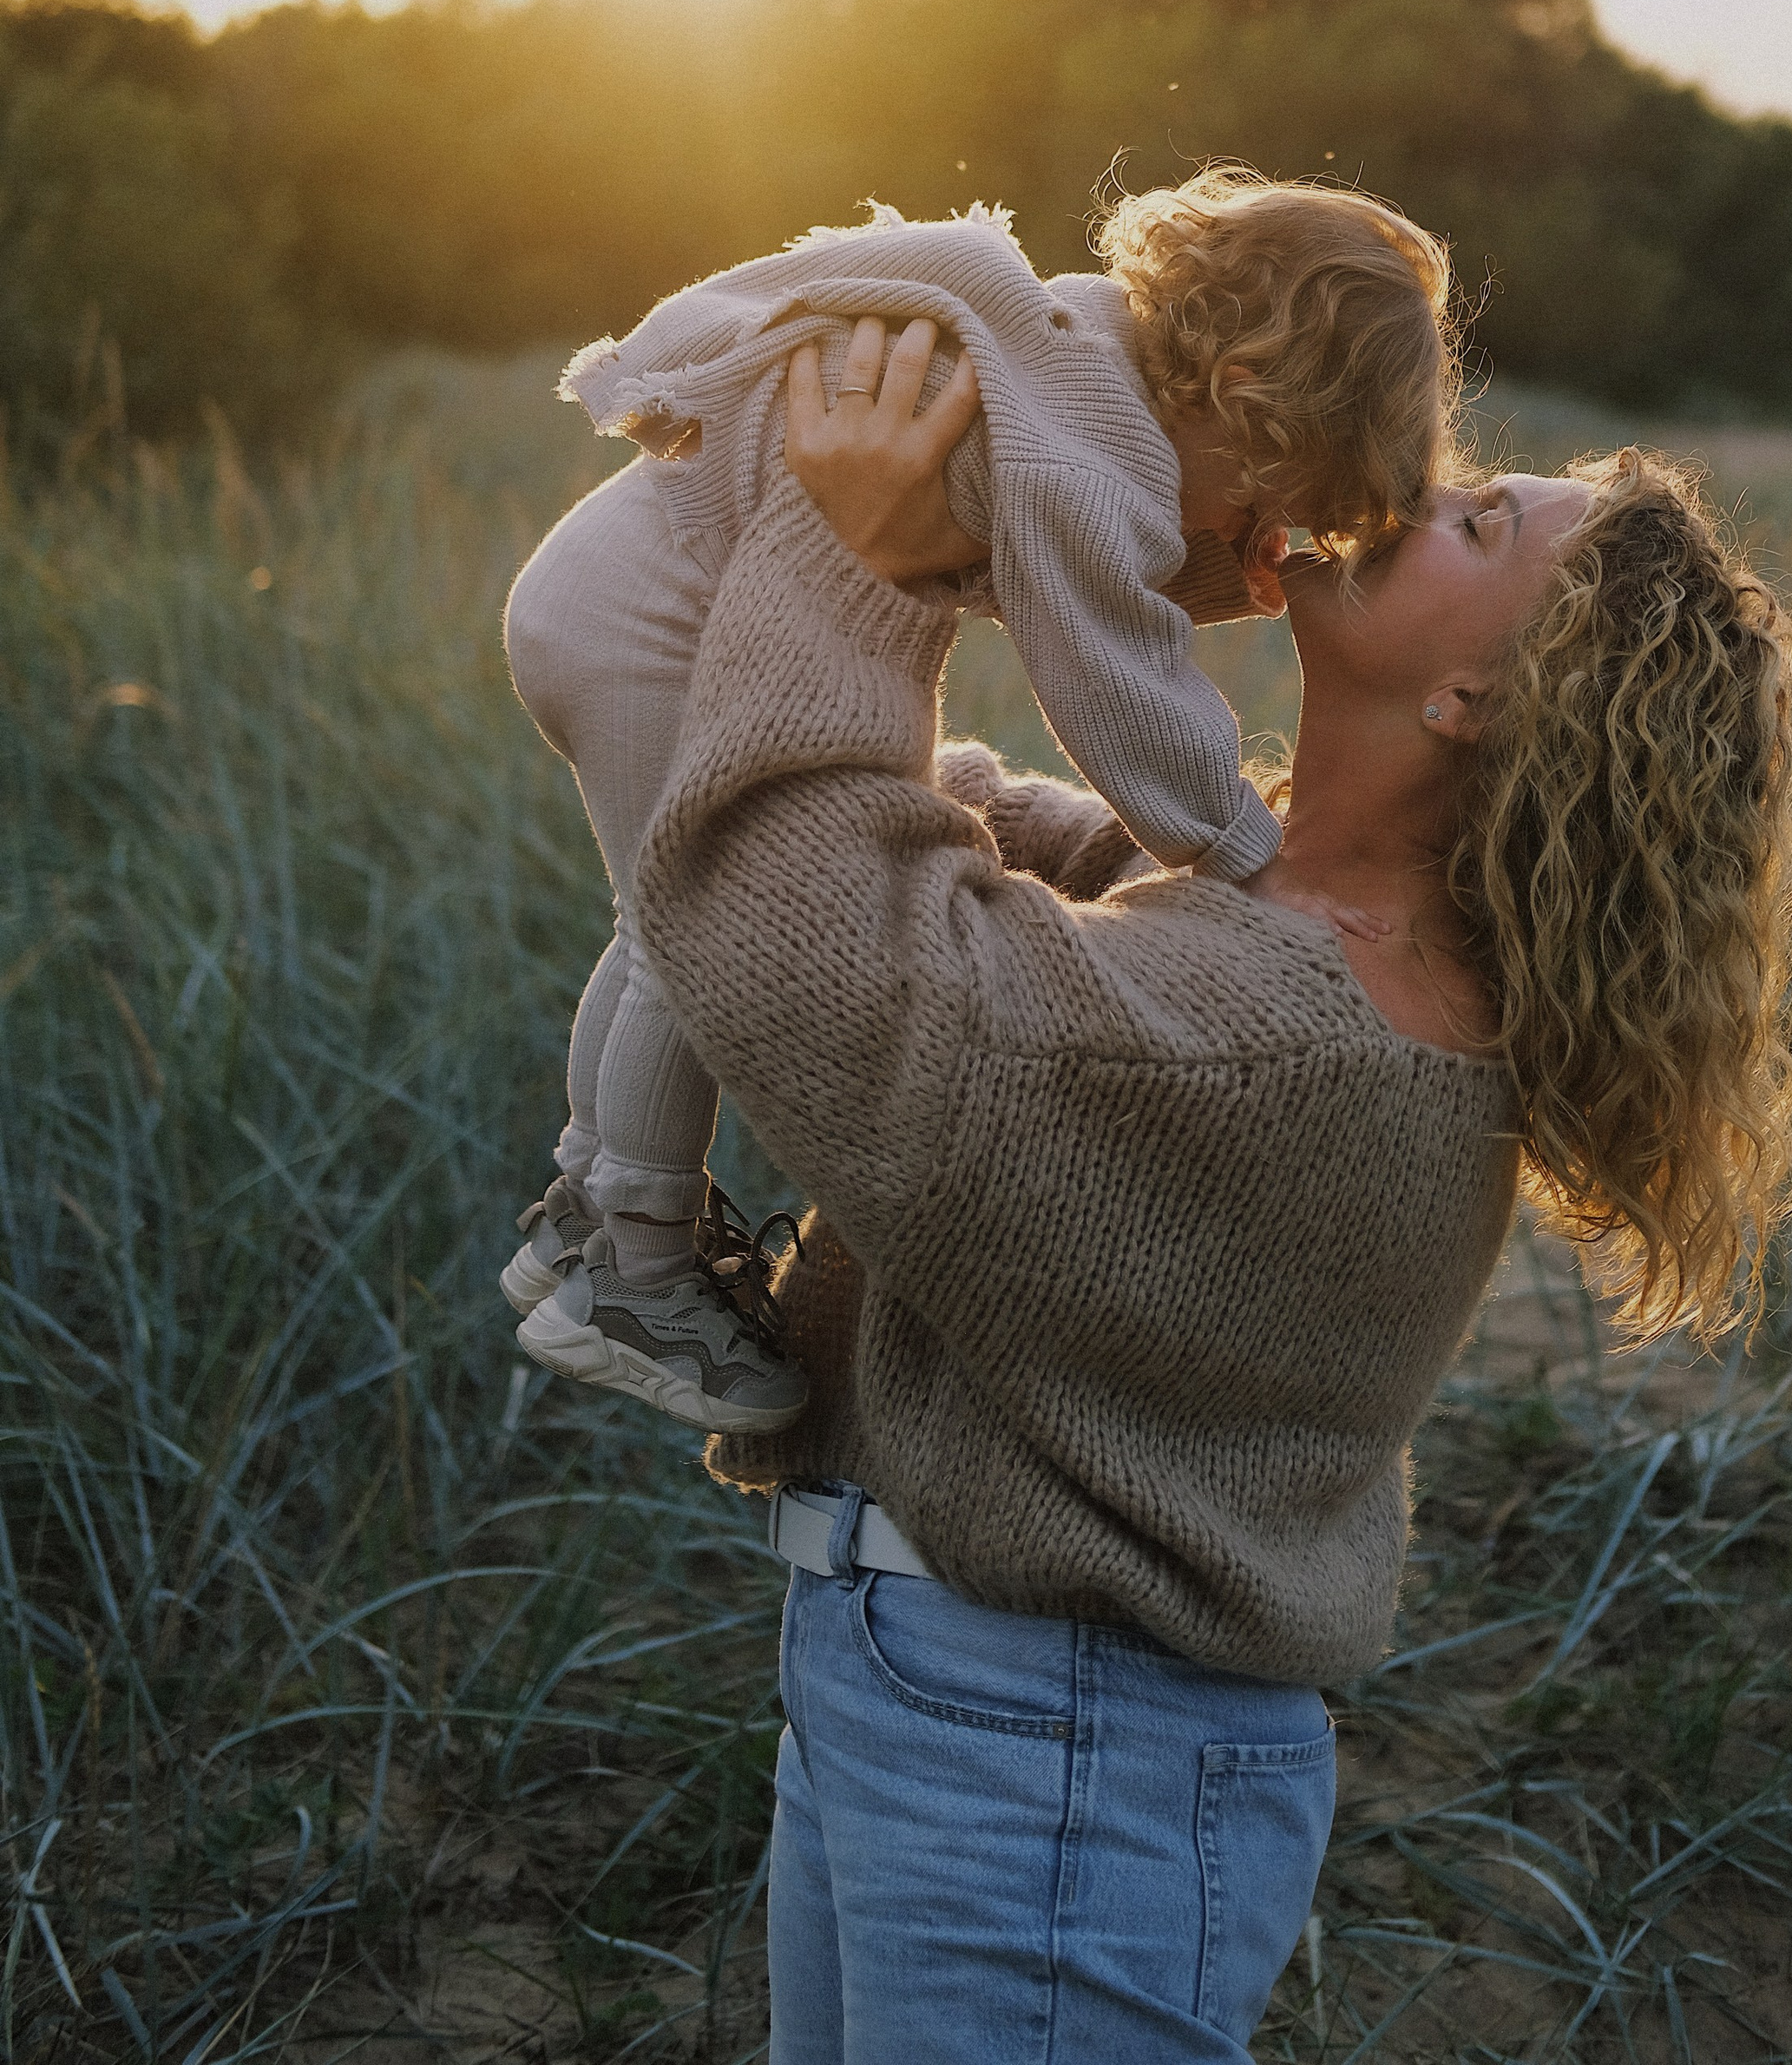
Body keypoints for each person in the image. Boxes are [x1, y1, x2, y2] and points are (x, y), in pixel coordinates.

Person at [623, 319, 1792, 2061]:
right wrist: (1018, 527)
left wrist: (857, 567)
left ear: (1476, 700)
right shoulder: (1286, 920)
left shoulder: (1293, 1036)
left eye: (1476, 521)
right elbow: (976, 830)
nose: (1417, 486)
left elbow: (819, 945)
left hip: (1054, 1771)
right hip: (969, 1713)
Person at [499, 168, 1455, 1434]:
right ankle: (634, 1267)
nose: (1253, 522)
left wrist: (1228, 566)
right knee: (692, 938)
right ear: (1237, 394)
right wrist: (1243, 852)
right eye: (1262, 495)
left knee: (648, 928)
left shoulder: (1080, 351)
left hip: (603, 585)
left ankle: (581, 1215)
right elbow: (1108, 671)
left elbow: (1059, 547)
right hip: (654, 624)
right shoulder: (1091, 455)